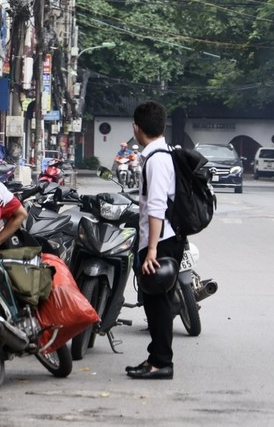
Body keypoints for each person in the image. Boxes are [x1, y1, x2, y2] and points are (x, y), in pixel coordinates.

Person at [127, 100, 184, 380]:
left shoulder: (157, 159)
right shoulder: (161, 153)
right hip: (162, 239)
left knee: (159, 305)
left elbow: (157, 206)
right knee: (155, 303)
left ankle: (161, 362)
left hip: (161, 241)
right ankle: (155, 358)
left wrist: (151, 250)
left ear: (137, 128)